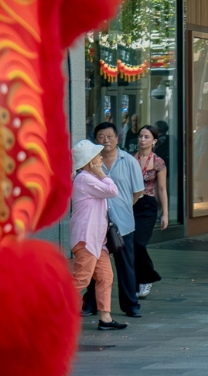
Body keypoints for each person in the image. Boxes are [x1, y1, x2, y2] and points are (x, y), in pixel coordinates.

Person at [81, 122, 145, 318]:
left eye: (110, 135)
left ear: (118, 138)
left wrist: (121, 208)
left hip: (123, 224)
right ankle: (90, 304)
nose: (106, 140)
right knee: (95, 266)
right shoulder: (91, 164)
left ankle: (130, 305)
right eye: (101, 136)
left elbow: (138, 192)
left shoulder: (129, 161)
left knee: (126, 265)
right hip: (95, 224)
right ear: (95, 140)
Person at [70, 140, 127, 331]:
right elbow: (112, 191)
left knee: (105, 276)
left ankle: (106, 319)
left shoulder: (87, 178)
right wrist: (102, 173)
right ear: (89, 161)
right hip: (87, 239)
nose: (101, 158)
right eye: (98, 156)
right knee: (82, 279)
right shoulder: (84, 179)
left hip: (97, 240)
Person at [133, 125, 168, 299]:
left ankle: (147, 278)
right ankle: (136, 280)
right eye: (140, 136)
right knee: (129, 245)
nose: (142, 140)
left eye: (146, 137)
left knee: (139, 243)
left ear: (154, 140)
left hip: (148, 204)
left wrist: (165, 214)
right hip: (131, 204)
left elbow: (162, 189)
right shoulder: (131, 159)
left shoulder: (158, 162)